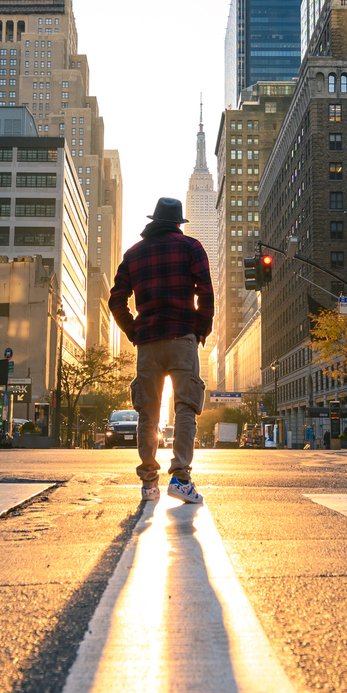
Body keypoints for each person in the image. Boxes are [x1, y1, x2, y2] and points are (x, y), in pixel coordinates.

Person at [108, 197, 213, 505]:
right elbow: (206, 293)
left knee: (147, 412)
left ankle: (149, 482)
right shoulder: (191, 248)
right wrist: (200, 330)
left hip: (148, 341)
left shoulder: (134, 254)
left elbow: (116, 300)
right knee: (185, 407)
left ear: (153, 221)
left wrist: (132, 330)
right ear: (179, 223)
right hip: (182, 336)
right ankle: (181, 478)